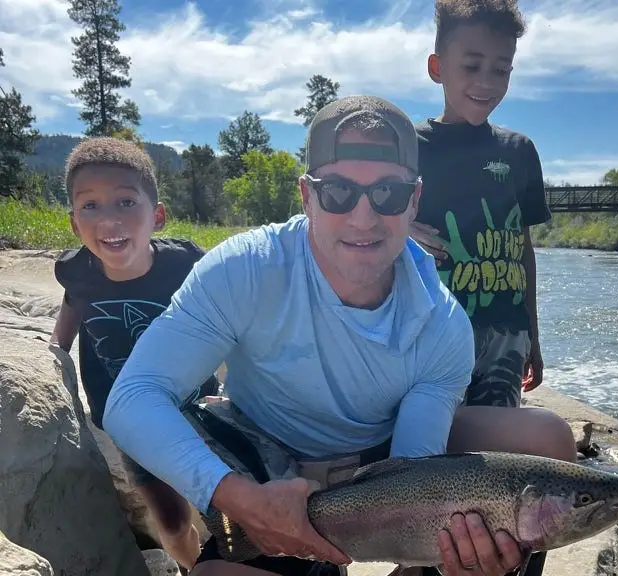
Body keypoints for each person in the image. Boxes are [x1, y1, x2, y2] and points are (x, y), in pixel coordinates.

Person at [101, 95, 524, 576]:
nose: (363, 217)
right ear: (307, 196)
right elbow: (132, 397)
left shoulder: (444, 325)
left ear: (414, 201)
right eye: (338, 192)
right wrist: (240, 499)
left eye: (388, 193)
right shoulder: (244, 270)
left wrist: (441, 564)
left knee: (545, 440)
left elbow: (412, 472)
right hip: (265, 458)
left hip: (379, 466)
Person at [408, 2, 577, 574]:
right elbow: (362, 217)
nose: (486, 82)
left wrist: (533, 333)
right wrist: (398, 224)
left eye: (500, 69)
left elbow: (524, 248)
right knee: (435, 467)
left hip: (503, 339)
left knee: (506, 474)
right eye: (471, 65)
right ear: (438, 67)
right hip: (431, 341)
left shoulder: (519, 151)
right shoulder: (410, 146)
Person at [49, 137, 219, 570]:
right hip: (129, 423)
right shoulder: (79, 272)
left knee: (224, 507)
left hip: (198, 411)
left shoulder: (185, 265)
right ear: (73, 223)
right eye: (90, 206)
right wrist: (54, 355)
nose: (109, 220)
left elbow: (227, 321)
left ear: (157, 216)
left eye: (126, 202)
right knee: (173, 522)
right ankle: (191, 568)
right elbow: (67, 320)